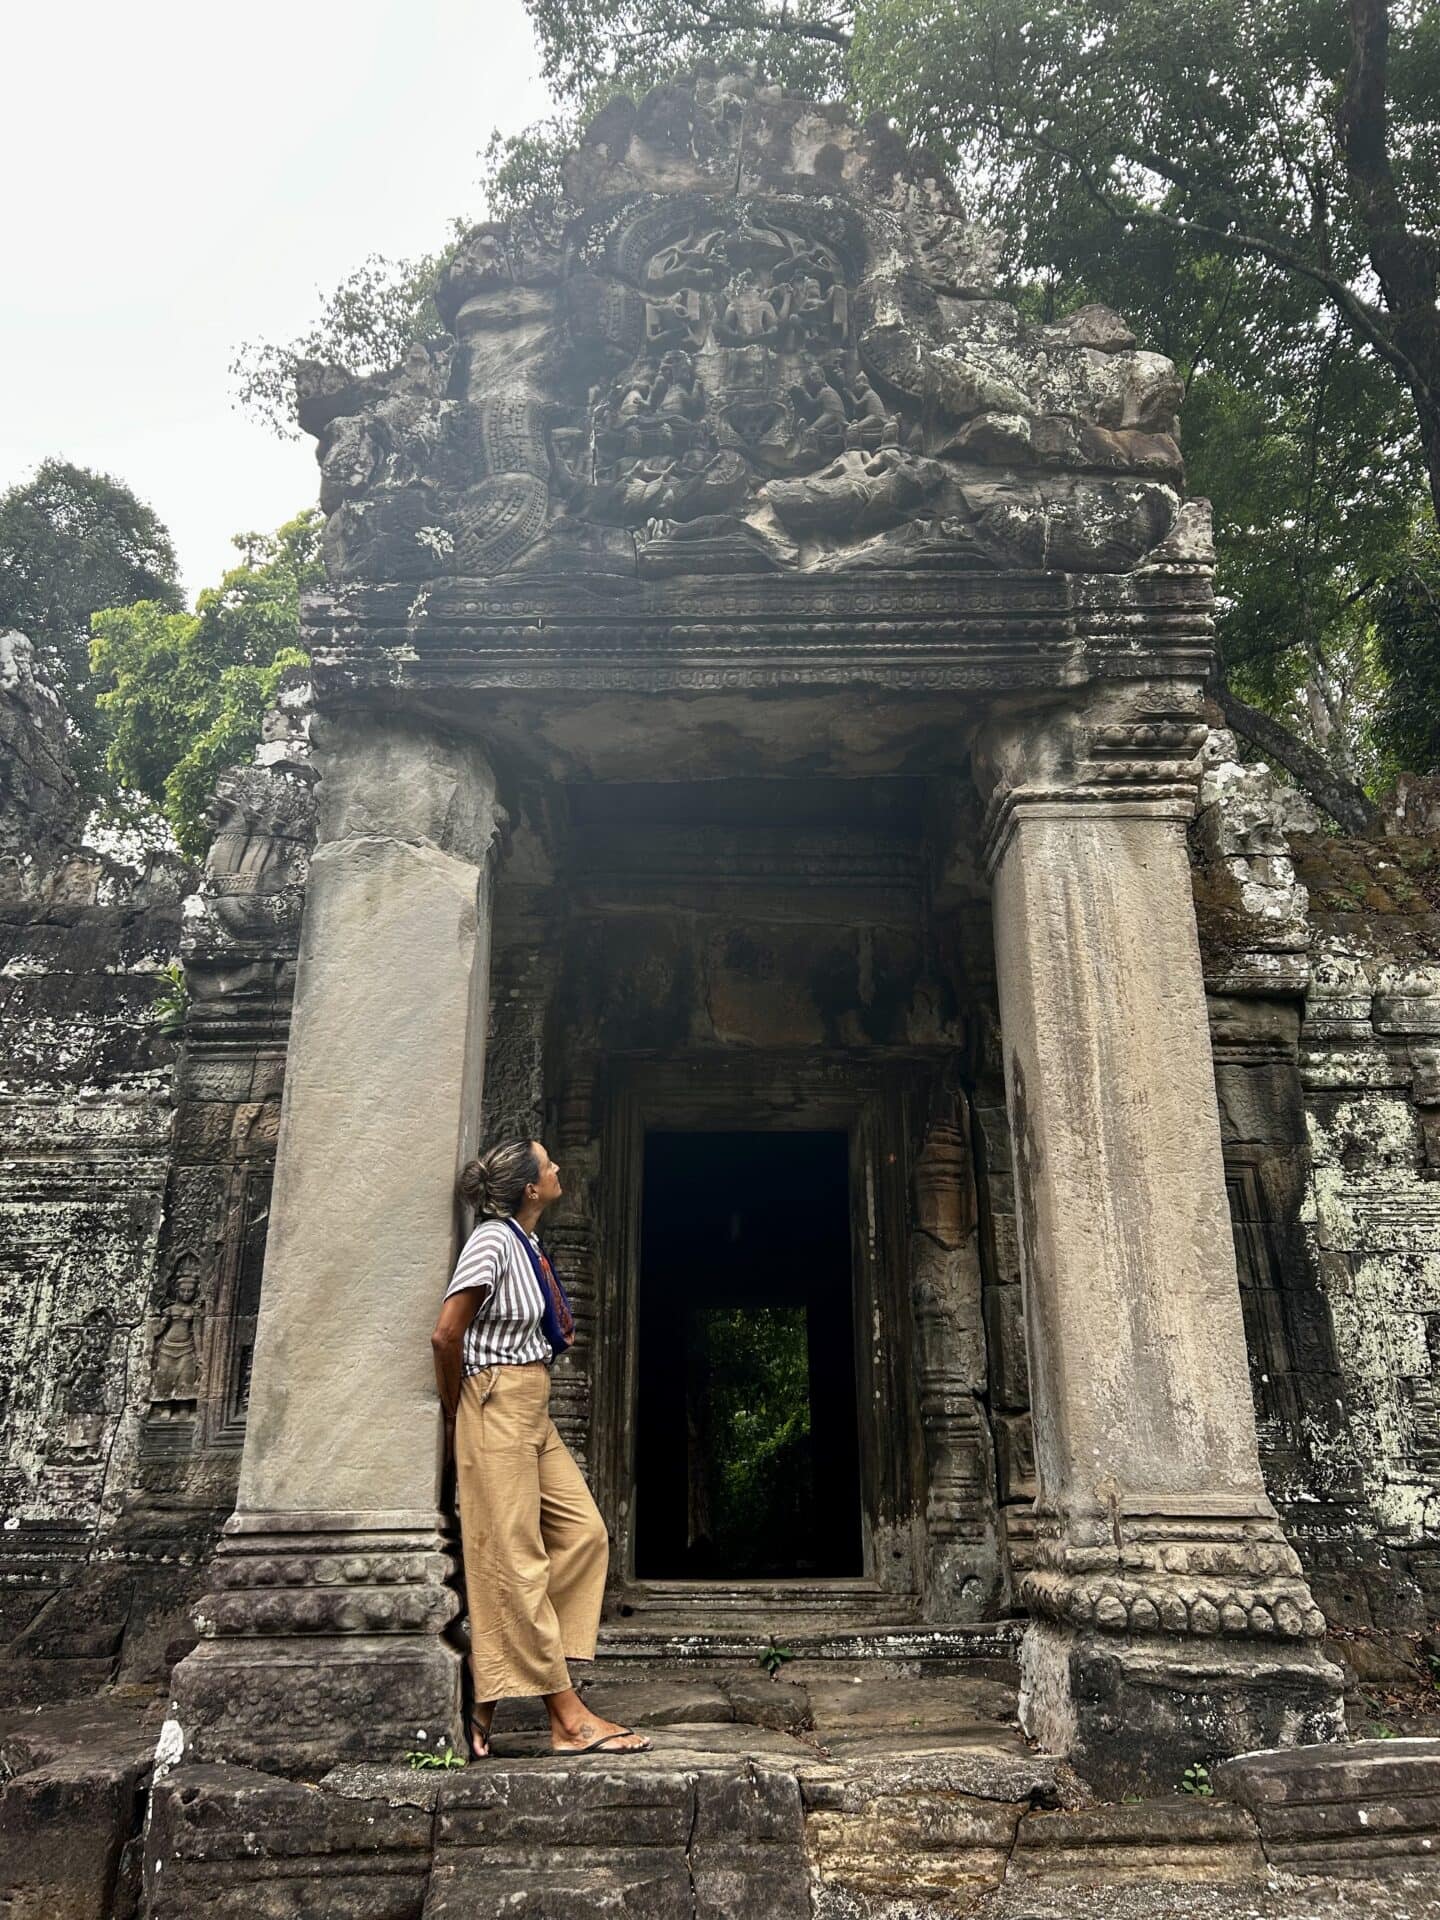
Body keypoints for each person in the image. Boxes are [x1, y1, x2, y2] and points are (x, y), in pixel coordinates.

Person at [431, 1137, 652, 1761]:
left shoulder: (525, 1244)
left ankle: (491, 1685)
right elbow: (447, 1335)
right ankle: (567, 1718)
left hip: (533, 1404)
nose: (557, 1169)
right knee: (515, 1558)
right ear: (531, 1188)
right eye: (548, 1164)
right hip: (494, 1399)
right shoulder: (494, 1240)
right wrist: (456, 1412)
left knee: (584, 1535)